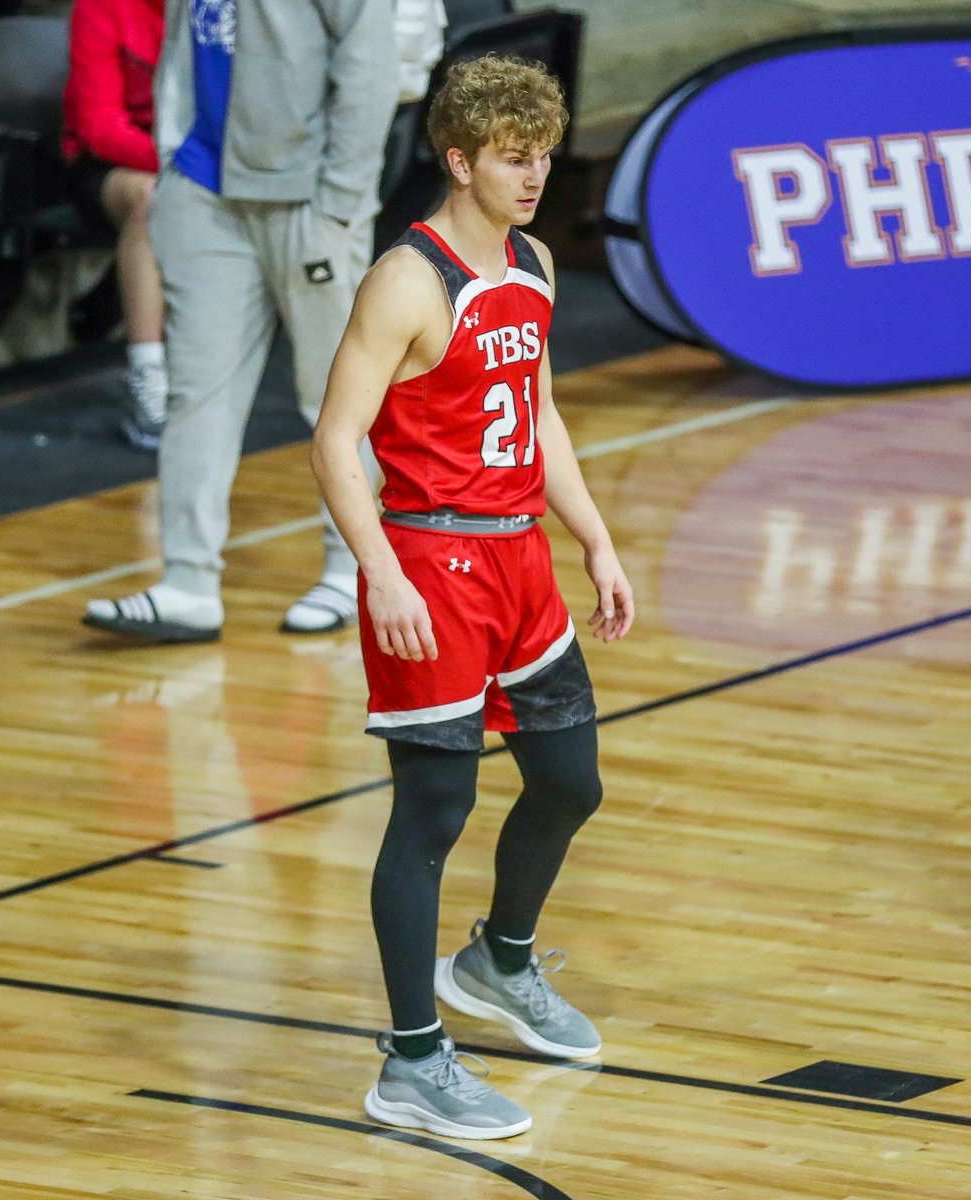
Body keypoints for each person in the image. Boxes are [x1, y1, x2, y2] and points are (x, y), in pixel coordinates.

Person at [311, 55, 635, 1139]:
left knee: (571, 780)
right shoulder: (407, 280)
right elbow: (336, 440)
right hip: (432, 566)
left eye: (543, 155)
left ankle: (499, 958)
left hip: (520, 562)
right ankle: (411, 1059)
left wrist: (595, 539)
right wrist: (381, 571)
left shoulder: (534, 262)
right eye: (513, 157)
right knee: (432, 815)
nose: (535, 175)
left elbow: (536, 412)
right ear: (459, 162)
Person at [81, 0, 398, 641]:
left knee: (339, 395)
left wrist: (339, 201)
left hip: (306, 198)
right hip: (204, 191)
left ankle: (354, 571)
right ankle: (188, 584)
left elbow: (371, 64)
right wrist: (174, 167)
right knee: (197, 393)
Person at [61, 0, 168, 452]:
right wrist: (183, 162)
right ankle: (148, 374)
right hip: (110, 164)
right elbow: (100, 126)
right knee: (152, 200)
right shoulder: (101, 7)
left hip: (194, 159)